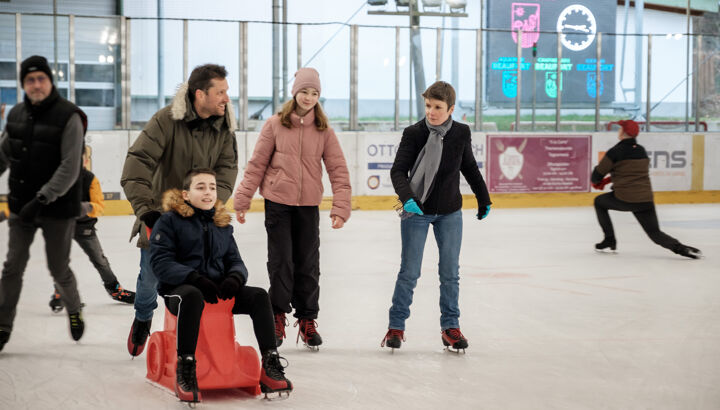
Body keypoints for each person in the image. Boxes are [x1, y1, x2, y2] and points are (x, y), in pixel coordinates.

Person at [121, 64, 239, 357]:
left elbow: (227, 169)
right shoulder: (166, 121)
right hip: (162, 219)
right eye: (220, 92)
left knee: (196, 279)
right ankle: (144, 316)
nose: (227, 98)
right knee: (149, 278)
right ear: (200, 94)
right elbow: (137, 164)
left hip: (201, 221)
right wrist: (147, 210)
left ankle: (194, 341)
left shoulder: (223, 126)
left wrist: (211, 201)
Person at [234, 67, 351, 350]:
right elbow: (256, 165)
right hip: (278, 204)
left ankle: (307, 320)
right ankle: (277, 314)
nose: (309, 97)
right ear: (294, 92)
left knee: (308, 265)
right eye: (304, 91)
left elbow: (338, 170)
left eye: (314, 93)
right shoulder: (275, 124)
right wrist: (242, 199)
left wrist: (341, 207)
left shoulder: (324, 130)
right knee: (281, 262)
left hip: (308, 206)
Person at [150, 169, 292, 403]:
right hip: (180, 290)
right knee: (192, 296)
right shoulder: (169, 222)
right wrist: (194, 278)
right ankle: (186, 368)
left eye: (212, 187)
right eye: (201, 187)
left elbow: (235, 260)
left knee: (258, 296)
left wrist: (234, 278)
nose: (208, 192)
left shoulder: (222, 222)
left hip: (216, 289)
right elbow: (161, 263)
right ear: (186, 194)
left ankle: (270, 364)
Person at [381, 81, 491, 352]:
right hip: (417, 212)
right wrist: (408, 198)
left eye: (438, 107)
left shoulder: (461, 133)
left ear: (451, 109)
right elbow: (398, 172)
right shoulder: (414, 133)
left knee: (450, 272)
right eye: (428, 106)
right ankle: (396, 326)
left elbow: (469, 168)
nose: (431, 112)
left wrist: (483, 197)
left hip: (450, 213)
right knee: (410, 271)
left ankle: (450, 327)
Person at [0, 55, 87, 351]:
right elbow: (4, 154)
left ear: (51, 81)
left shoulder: (69, 116)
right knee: (12, 267)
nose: (36, 85)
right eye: (29, 80)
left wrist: (41, 200)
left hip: (57, 209)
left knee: (58, 268)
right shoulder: (16, 114)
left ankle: (74, 309)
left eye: (41, 79)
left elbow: (70, 167)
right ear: (23, 84)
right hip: (20, 204)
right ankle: (3, 325)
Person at [591, 119, 702, 259]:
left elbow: (596, 177)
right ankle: (681, 248)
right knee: (655, 233)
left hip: (625, 198)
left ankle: (609, 240)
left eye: (619, 128)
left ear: (623, 132)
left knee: (599, 202)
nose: (618, 131)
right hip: (645, 200)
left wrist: (601, 177)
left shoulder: (615, 152)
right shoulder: (641, 151)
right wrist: (612, 177)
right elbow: (630, 172)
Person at [48, 147, 135, 313]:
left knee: (99, 260)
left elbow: (99, 206)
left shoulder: (89, 179)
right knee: (60, 260)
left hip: (84, 227)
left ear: (86, 161)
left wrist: (83, 207)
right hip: (62, 226)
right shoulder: (58, 179)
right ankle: (60, 292)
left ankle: (114, 288)